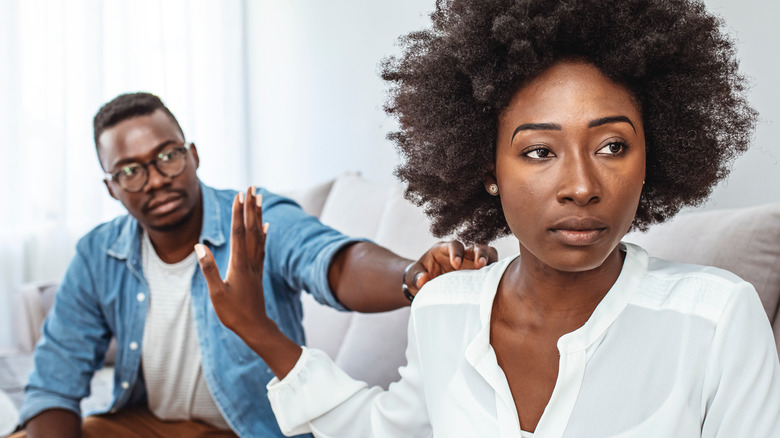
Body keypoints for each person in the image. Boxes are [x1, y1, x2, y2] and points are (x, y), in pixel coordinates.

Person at [197, 0, 780, 436]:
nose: (581, 186)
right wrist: (259, 331)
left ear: (652, 156)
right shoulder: (445, 308)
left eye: (611, 147)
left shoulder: (716, 319)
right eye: (538, 152)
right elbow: (382, 431)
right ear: (487, 166)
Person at [12, 92, 497, 438]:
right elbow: (54, 381)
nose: (155, 180)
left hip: (252, 430)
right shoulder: (99, 253)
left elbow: (333, 263)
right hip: (148, 424)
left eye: (167, 156)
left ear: (193, 155)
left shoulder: (255, 217)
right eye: (131, 171)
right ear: (112, 188)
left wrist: (413, 276)